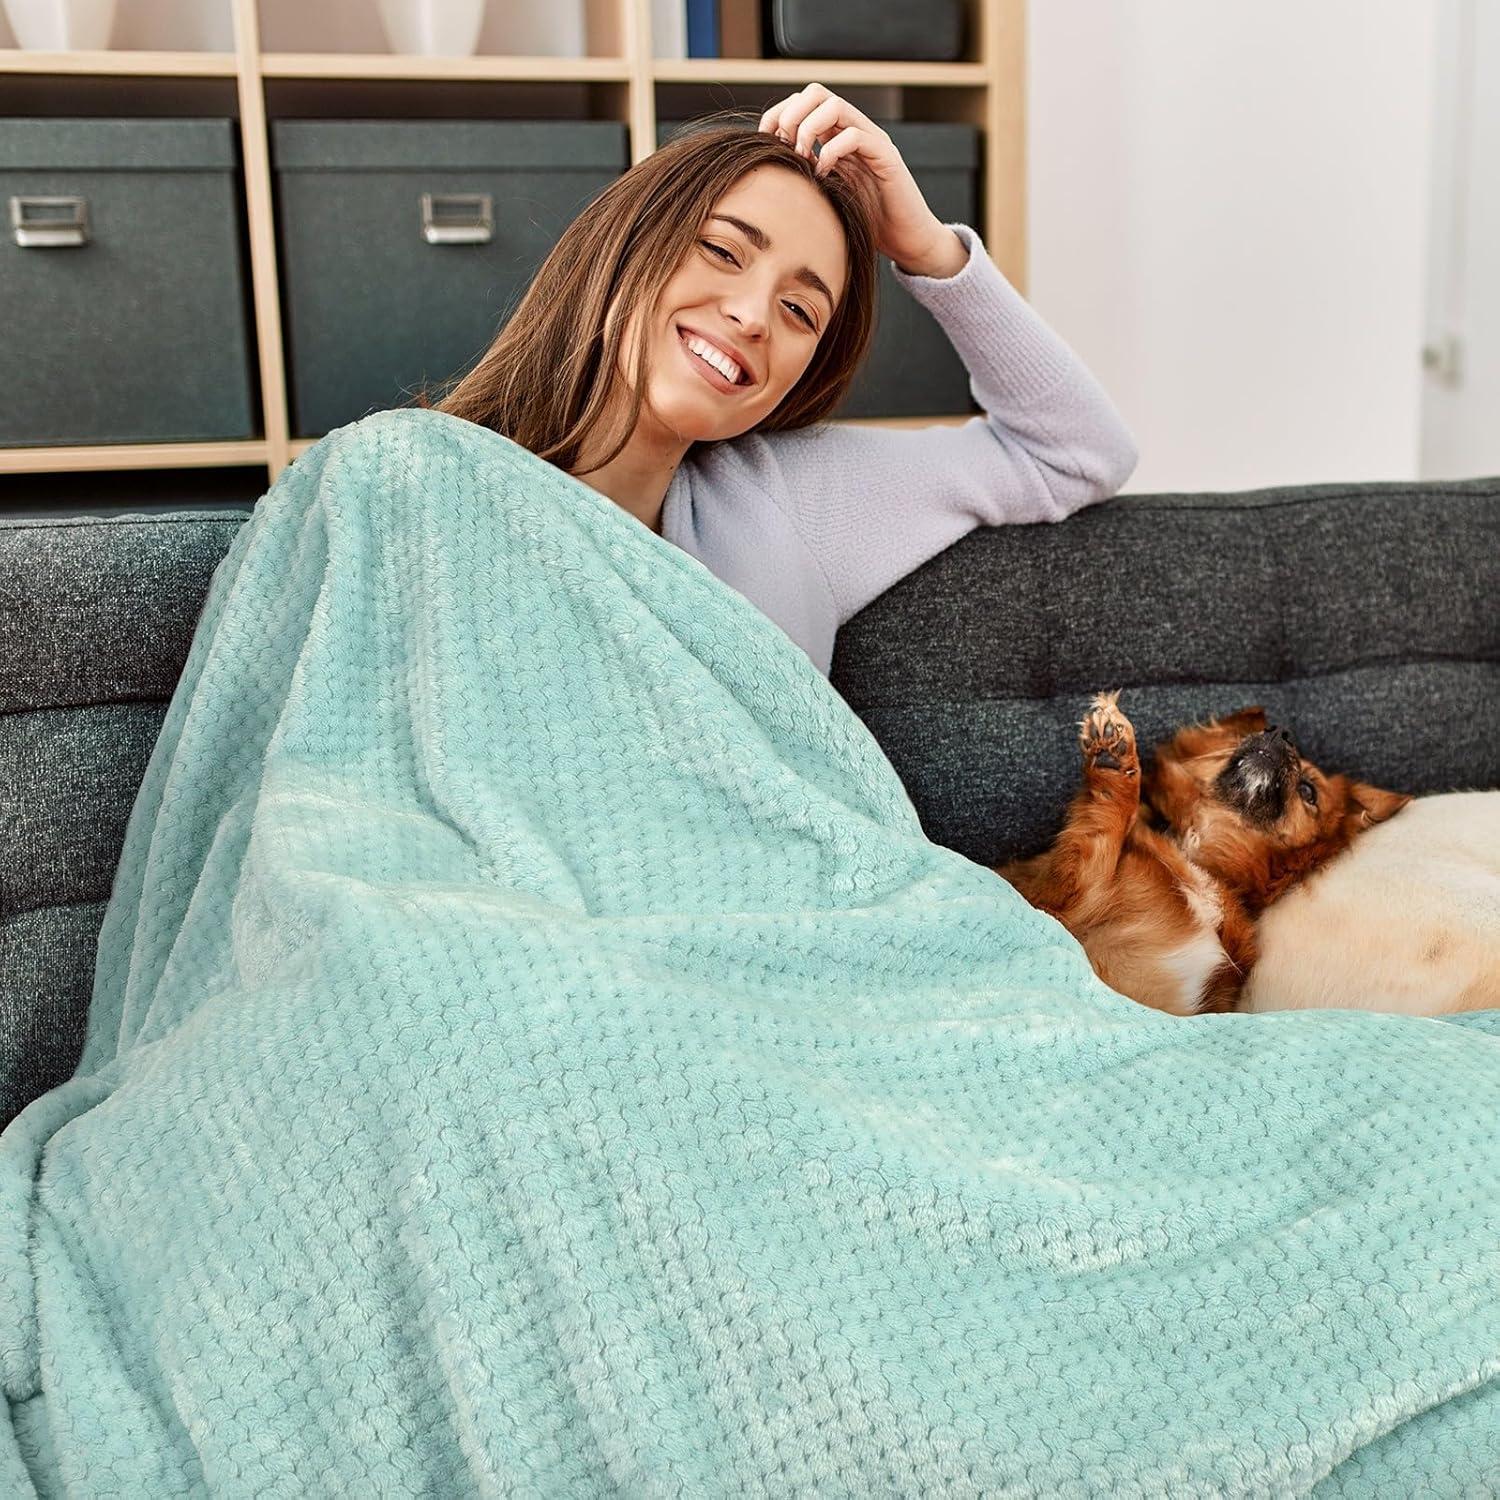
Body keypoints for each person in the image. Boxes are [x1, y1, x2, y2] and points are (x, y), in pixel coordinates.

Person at [422, 83, 1139, 677]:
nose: (753, 315)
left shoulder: (786, 500)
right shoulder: (420, 485)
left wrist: (927, 246)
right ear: (627, 241)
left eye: (800, 309)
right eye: (722, 251)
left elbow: (1074, 453)